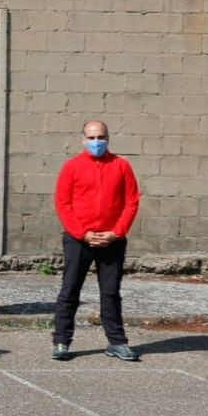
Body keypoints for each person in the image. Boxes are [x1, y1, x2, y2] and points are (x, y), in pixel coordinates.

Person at [52, 120, 142, 362]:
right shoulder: (71, 167)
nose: (96, 142)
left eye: (100, 137)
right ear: (83, 140)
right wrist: (82, 233)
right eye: (91, 138)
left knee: (111, 293)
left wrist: (116, 232)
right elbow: (63, 203)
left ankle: (117, 343)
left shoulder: (122, 166)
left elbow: (131, 202)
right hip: (78, 240)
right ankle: (61, 341)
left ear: (108, 138)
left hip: (112, 240)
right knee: (70, 290)